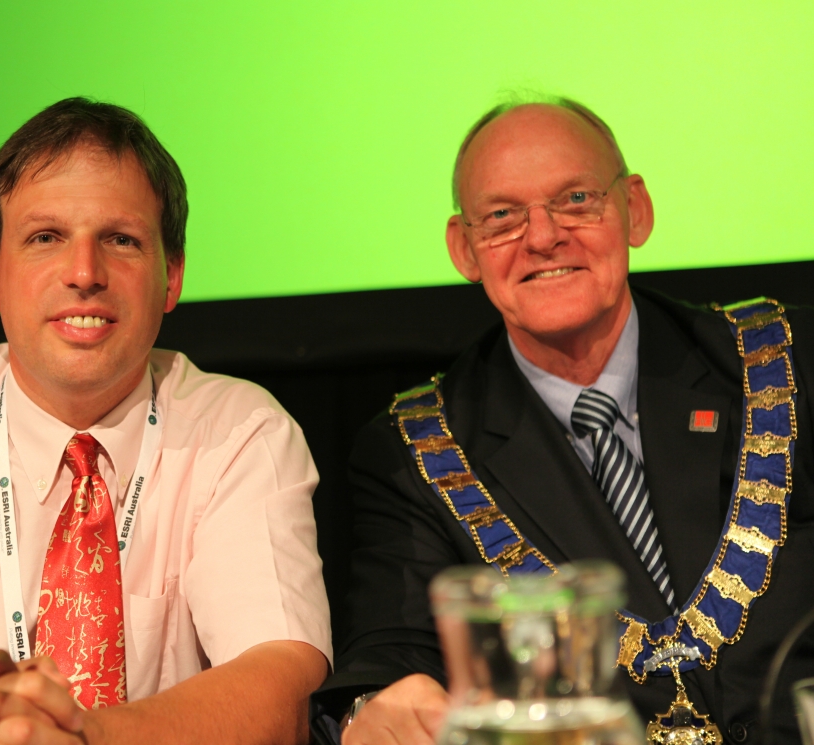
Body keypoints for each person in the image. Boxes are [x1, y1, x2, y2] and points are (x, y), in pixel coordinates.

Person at [0, 98, 331, 744]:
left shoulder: (239, 432)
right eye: (45, 238)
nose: (84, 274)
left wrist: (80, 738)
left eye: (121, 240)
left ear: (172, 275)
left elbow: (276, 693)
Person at [311, 97, 814, 744]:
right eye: (502, 216)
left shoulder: (785, 361)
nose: (543, 236)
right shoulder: (415, 450)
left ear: (635, 209)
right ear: (465, 249)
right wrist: (376, 707)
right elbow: (392, 655)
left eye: (576, 199)